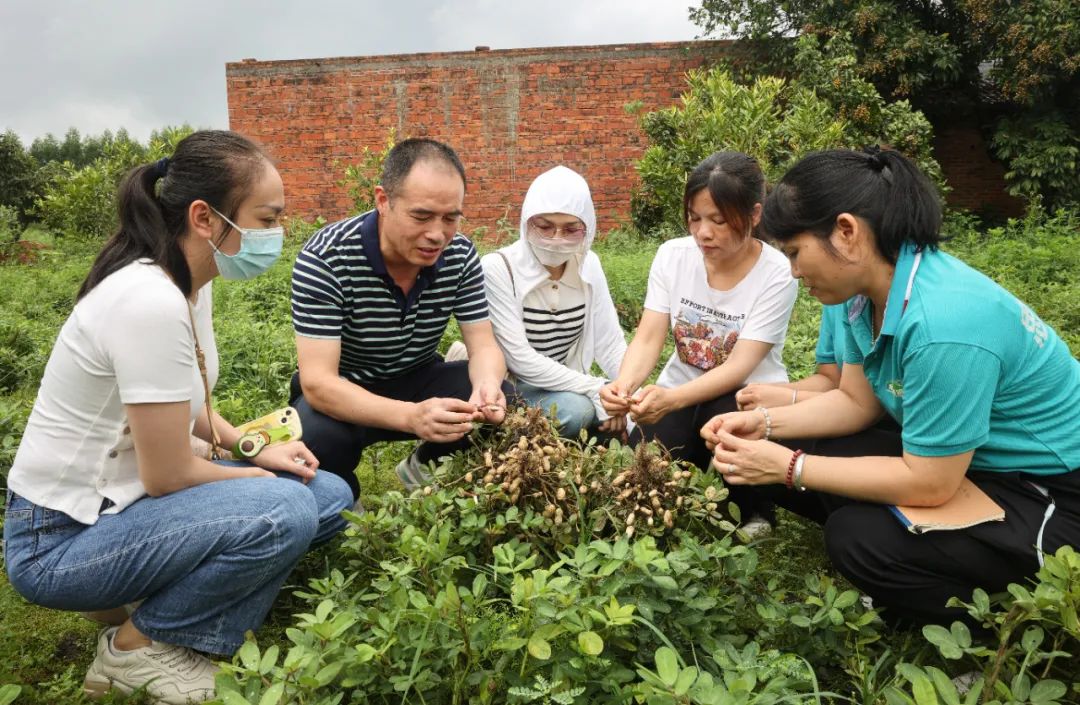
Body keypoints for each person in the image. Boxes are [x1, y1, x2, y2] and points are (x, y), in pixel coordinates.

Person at [3, 130, 353, 705]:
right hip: (57, 541)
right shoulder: (149, 300)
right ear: (204, 217)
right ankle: (138, 648)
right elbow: (169, 475)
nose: (275, 235)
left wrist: (251, 448)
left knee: (329, 497)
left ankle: (155, 601)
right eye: (266, 219)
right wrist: (260, 484)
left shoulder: (188, 285)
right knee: (285, 507)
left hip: (122, 505)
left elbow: (185, 407)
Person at [702, 147, 1080, 628]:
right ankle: (920, 563)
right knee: (789, 444)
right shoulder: (860, 293)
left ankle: (972, 626)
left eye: (795, 252)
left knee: (858, 538)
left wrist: (790, 467)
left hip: (1049, 491)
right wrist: (765, 424)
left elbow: (931, 482)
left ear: (846, 232)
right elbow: (855, 402)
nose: (794, 270)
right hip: (972, 464)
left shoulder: (946, 322)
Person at [289, 138, 511, 497]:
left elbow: (483, 345)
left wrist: (485, 387)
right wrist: (411, 417)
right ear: (383, 201)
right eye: (421, 216)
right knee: (315, 435)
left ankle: (422, 470)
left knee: (504, 397)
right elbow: (318, 383)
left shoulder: (460, 254)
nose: (437, 234)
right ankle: (345, 506)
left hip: (417, 375)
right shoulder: (326, 258)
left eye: (450, 218)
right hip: (345, 391)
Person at [599, 151, 798, 531]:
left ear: (754, 215)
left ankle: (756, 509)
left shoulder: (777, 272)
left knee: (731, 434)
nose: (703, 232)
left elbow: (740, 365)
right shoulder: (672, 256)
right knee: (644, 470)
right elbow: (648, 336)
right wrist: (623, 388)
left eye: (719, 220)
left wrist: (670, 399)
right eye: (695, 218)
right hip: (683, 389)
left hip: (745, 394)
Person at [480, 165, 627, 438]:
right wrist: (597, 388)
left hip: (563, 383)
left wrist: (625, 394)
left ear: (588, 229)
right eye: (545, 227)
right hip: (511, 386)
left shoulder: (588, 264)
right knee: (577, 410)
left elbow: (610, 343)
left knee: (625, 417)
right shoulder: (498, 268)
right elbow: (520, 360)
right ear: (526, 222)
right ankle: (491, 439)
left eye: (571, 229)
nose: (556, 240)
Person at [734, 303, 847, 410]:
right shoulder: (836, 303)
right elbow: (831, 379)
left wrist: (792, 397)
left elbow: (859, 404)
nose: (803, 283)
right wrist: (770, 391)